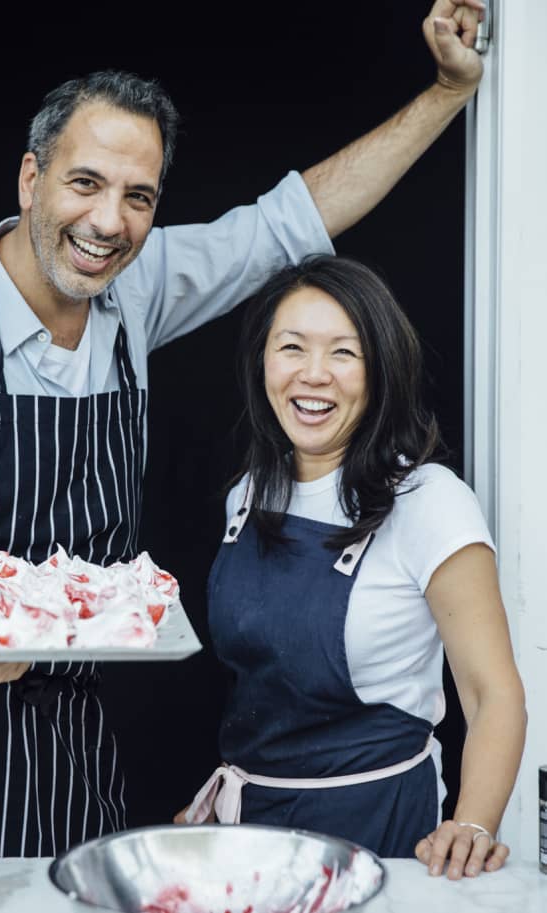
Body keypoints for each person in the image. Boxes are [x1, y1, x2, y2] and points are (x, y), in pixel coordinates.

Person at [0, 0, 488, 859]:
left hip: (65, 727)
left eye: (139, 197)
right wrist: (60, 630)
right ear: (31, 180)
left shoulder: (131, 289)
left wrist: (446, 90)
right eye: (85, 183)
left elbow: (290, 224)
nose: (109, 223)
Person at [179, 255, 526, 880]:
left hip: (379, 831)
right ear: (264, 362)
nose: (314, 375)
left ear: (380, 371)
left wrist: (473, 824)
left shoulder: (427, 500)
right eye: (292, 347)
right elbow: (261, 685)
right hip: (251, 836)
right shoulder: (250, 494)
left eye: (344, 352)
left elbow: (492, 693)